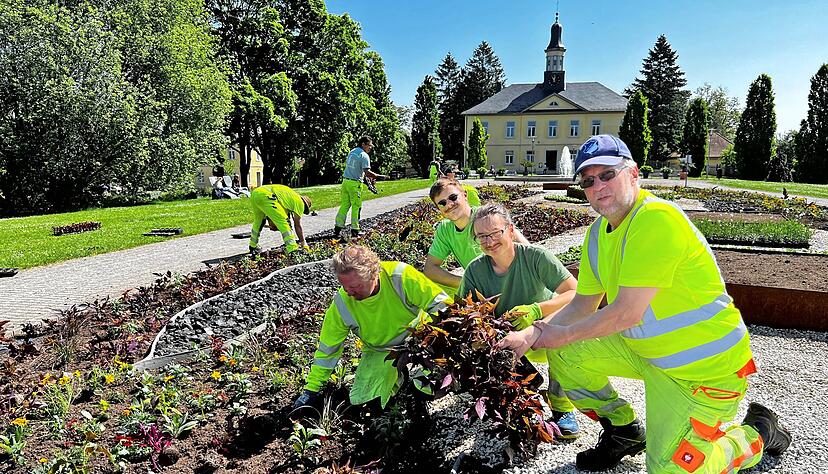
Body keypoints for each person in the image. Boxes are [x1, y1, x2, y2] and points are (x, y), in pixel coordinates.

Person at [498, 135, 791, 472]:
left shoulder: (655, 219)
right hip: (648, 353)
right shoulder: (598, 234)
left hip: (703, 369)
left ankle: (757, 433)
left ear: (634, 173)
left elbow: (626, 313)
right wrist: (532, 334)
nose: (598, 186)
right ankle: (624, 431)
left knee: (670, 468)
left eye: (608, 174)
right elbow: (582, 305)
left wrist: (550, 335)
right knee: (564, 353)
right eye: (588, 180)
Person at [457, 202, 581, 439]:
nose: (489, 241)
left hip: (542, 330)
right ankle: (525, 393)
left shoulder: (536, 257)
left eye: (495, 233)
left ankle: (562, 407)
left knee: (566, 343)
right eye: (482, 236)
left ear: (510, 230)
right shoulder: (475, 270)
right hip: (506, 335)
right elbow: (463, 312)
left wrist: (536, 310)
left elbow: (573, 293)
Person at [292, 245, 450, 409]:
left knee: (427, 387)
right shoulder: (342, 303)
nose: (348, 292)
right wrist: (311, 390)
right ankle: (399, 377)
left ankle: (413, 379)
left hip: (420, 341)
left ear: (374, 275)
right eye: (344, 286)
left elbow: (442, 307)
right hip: (381, 351)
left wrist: (443, 343)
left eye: (355, 287)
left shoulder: (400, 276)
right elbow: (328, 349)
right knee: (365, 402)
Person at [424, 178, 524, 294]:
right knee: (431, 290)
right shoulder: (445, 230)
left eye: (453, 197)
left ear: (465, 195)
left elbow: (526, 249)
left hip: (512, 283)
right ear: (439, 209)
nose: (449, 205)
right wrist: (466, 282)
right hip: (483, 288)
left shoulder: (486, 217)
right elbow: (430, 269)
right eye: (442, 203)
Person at [335, 136, 387, 238]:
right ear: (363, 144)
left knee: (345, 205)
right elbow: (367, 172)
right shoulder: (364, 155)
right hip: (355, 184)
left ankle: (338, 227)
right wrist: (378, 176)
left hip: (345, 182)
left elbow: (357, 170)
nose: (370, 148)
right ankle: (355, 229)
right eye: (369, 145)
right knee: (356, 206)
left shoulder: (352, 152)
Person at [249, 184, 312, 254]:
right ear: (305, 207)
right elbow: (297, 225)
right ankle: (293, 249)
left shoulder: (290, 199)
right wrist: (304, 243)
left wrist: (275, 225)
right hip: (267, 196)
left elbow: (275, 215)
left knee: (259, 221)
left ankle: (253, 246)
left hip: (256, 194)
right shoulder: (300, 204)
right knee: (285, 222)